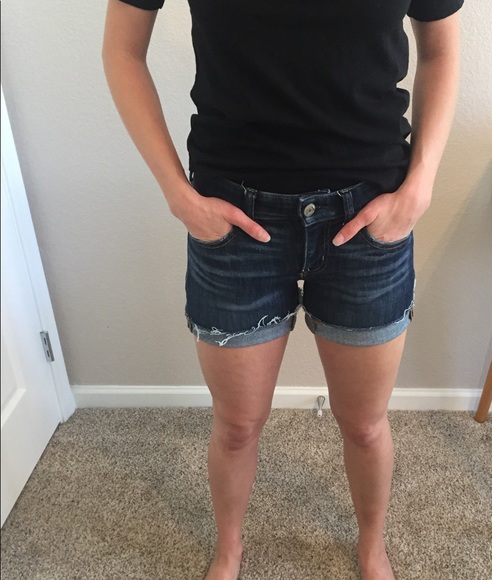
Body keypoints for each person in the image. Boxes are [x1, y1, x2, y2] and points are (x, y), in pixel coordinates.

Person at [103, 1, 463, 578]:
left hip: (368, 217)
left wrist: (419, 186)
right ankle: (228, 549)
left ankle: (371, 547)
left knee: (365, 424)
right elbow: (123, 50)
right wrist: (177, 193)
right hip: (234, 219)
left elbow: (440, 51)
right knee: (237, 425)